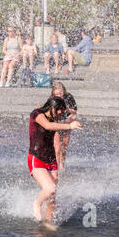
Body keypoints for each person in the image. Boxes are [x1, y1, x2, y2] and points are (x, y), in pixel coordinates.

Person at [28, 97, 82, 227]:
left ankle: (48, 221)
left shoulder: (54, 118)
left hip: (51, 159)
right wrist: (69, 125)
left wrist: (70, 120)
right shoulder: (36, 113)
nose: (59, 113)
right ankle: (37, 203)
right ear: (52, 107)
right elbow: (47, 125)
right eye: (58, 111)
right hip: (36, 158)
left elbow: (56, 123)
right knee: (50, 188)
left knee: (52, 196)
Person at [50, 82, 77, 170]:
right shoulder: (52, 100)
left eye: (60, 93)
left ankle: (62, 165)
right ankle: (57, 167)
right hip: (56, 125)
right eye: (57, 94)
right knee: (57, 149)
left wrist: (67, 109)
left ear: (63, 91)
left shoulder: (68, 97)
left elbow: (74, 111)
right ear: (53, 93)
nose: (59, 95)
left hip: (66, 124)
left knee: (63, 149)